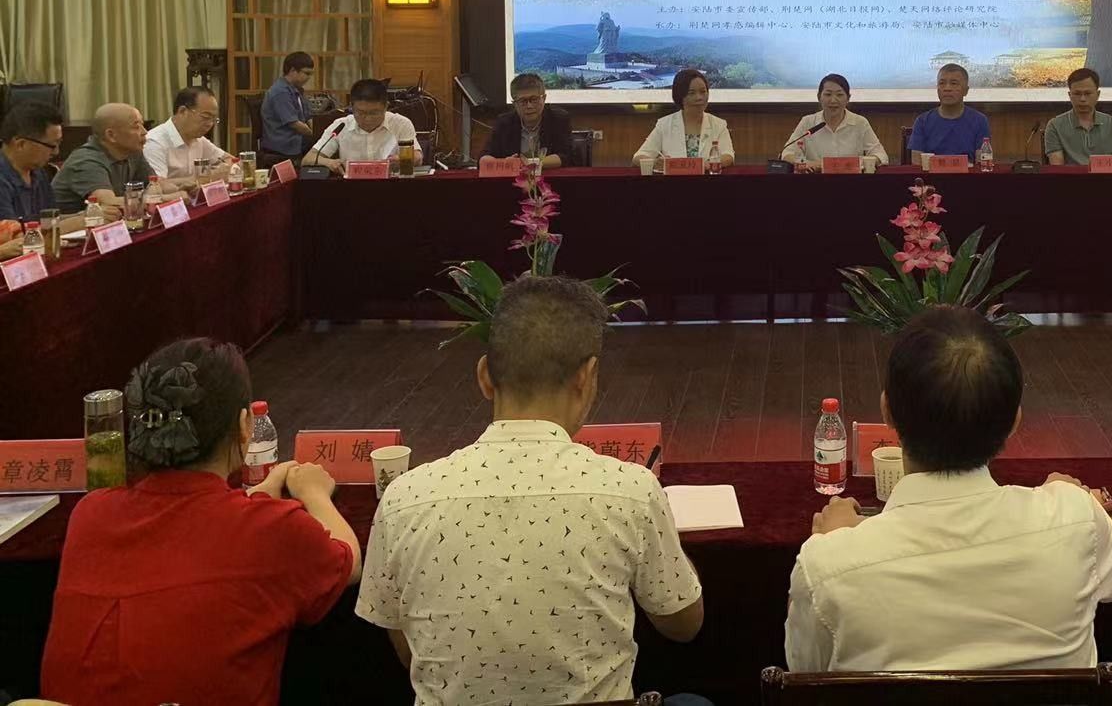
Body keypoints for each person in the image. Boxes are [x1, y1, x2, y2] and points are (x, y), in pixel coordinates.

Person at [357, 276, 704, 704]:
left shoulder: (403, 499)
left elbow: (409, 645)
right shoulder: (629, 490)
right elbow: (683, 623)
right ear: (587, 376)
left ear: (485, 376)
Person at [786, 307, 1112, 672]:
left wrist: (832, 543)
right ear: (1015, 421)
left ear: (887, 411)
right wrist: (1064, 500)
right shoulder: (1078, 519)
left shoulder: (827, 567)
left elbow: (805, 671)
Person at [40, 337, 360, 706]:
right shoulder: (271, 531)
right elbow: (348, 561)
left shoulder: (90, 514)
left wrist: (258, 496)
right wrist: (314, 492)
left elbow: (190, 531)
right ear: (245, 425)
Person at [303, 78, 418, 174]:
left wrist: (402, 159)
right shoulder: (341, 126)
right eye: (361, 113)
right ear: (352, 107)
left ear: (386, 107)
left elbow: (418, 157)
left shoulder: (401, 124)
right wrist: (330, 162)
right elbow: (308, 159)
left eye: (374, 113)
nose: (368, 118)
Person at [53, 101, 152, 212]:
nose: (145, 132)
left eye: (143, 125)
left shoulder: (132, 152)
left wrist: (163, 194)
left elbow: (156, 185)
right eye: (136, 127)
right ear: (111, 135)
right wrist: (159, 199)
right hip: (69, 222)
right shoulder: (87, 161)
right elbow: (109, 203)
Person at [782, 74, 889, 170]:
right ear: (819, 97)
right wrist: (808, 164)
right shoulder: (808, 122)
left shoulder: (860, 123)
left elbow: (880, 155)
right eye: (828, 94)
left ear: (848, 98)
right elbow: (787, 154)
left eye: (839, 95)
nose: (833, 100)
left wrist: (858, 163)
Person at [633, 68, 734, 167]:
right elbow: (638, 157)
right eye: (692, 93)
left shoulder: (719, 124)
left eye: (703, 92)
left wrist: (709, 164)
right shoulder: (664, 124)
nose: (699, 97)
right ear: (680, 96)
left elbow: (728, 156)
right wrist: (655, 163)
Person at [144, 86, 236, 191]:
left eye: (214, 119)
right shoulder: (154, 142)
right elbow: (157, 184)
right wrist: (208, 177)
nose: (210, 124)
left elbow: (232, 161)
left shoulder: (199, 140)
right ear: (182, 111)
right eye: (205, 117)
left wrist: (222, 169)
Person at [485, 71, 576, 167]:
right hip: (514, 176)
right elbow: (484, 157)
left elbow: (566, 156)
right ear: (514, 104)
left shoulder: (558, 119)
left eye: (534, 99)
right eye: (523, 101)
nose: (529, 106)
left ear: (544, 98)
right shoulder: (504, 123)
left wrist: (530, 164)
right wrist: (504, 163)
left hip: (549, 175)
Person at [908, 63, 992, 161]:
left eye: (954, 83)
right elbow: (916, 161)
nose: (947, 88)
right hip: (932, 171)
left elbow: (982, 162)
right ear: (937, 89)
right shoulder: (922, 121)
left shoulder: (979, 121)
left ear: (966, 90)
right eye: (942, 83)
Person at [1043, 67, 1112, 165]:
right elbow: (1058, 168)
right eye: (1077, 94)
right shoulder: (1055, 125)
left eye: (1087, 93)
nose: (1082, 99)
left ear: (1097, 94)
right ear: (1070, 95)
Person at [0, 100, 61, 226]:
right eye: (52, 145)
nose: (56, 152)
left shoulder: (39, 173)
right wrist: (80, 221)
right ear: (21, 144)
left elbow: (52, 219)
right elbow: (13, 234)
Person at [261, 51, 316, 165]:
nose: (309, 78)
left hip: (296, 139)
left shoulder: (297, 90)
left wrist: (319, 131)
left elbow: (308, 117)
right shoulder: (280, 92)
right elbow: (294, 123)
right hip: (284, 143)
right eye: (306, 73)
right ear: (292, 70)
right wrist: (316, 134)